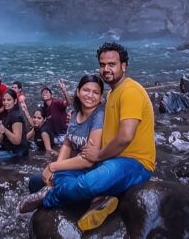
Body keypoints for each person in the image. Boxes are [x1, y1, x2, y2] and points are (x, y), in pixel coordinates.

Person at [25, 42, 155, 232]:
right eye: (102, 65)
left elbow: (126, 136)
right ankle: (102, 199)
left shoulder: (130, 91)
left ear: (124, 66)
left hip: (135, 162)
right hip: (111, 160)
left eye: (112, 64)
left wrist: (99, 155)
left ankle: (48, 197)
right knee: (58, 176)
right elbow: (74, 141)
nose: (106, 69)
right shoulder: (112, 94)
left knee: (87, 183)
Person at [23, 75, 105, 198]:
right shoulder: (75, 114)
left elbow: (88, 160)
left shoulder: (98, 116)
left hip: (88, 171)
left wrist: (53, 166)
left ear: (100, 97)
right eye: (86, 90)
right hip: (73, 166)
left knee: (63, 186)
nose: (90, 95)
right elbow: (67, 143)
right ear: (78, 91)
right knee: (35, 181)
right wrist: (57, 169)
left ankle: (47, 199)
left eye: (95, 92)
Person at [0, 89, 29, 162]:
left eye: (8, 100)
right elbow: (0, 139)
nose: (5, 102)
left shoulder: (16, 117)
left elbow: (17, 141)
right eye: (4, 100)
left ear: (15, 101)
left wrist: (5, 130)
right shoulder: (7, 115)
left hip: (17, 152)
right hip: (8, 148)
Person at [38, 81, 71, 154]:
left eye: (46, 92)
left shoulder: (56, 103)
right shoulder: (44, 108)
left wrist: (64, 90)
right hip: (54, 135)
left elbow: (68, 102)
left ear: (51, 95)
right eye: (43, 93)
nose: (44, 93)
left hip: (64, 133)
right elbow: (38, 122)